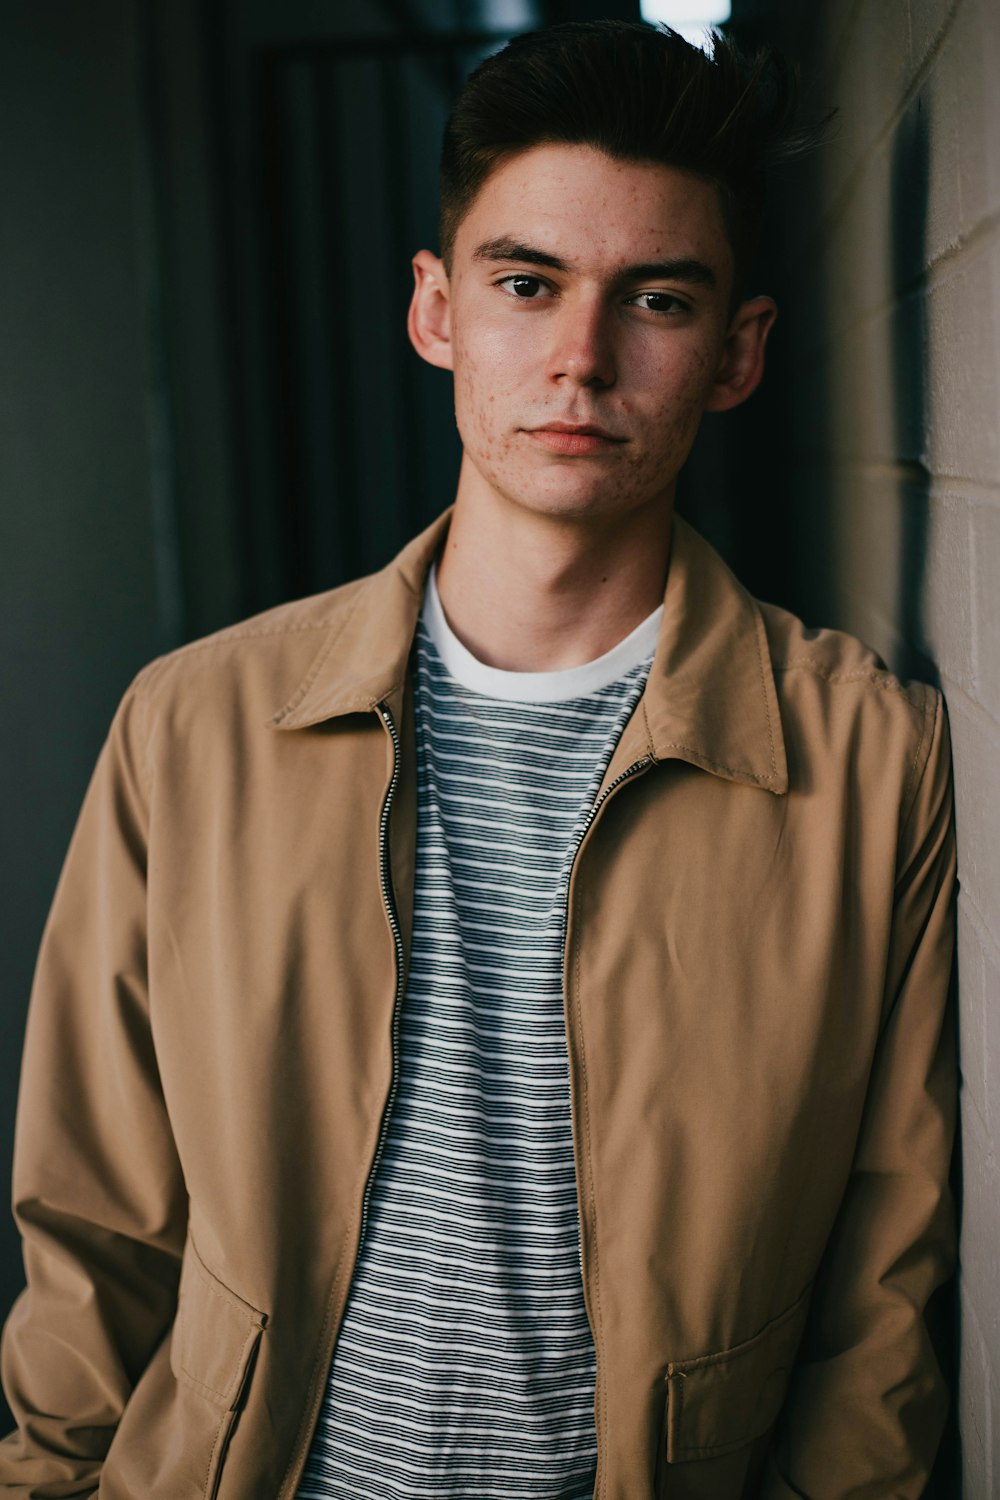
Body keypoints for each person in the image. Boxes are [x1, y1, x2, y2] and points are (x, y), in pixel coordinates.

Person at [0, 20, 956, 1500]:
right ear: (437, 311)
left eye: (654, 298)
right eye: (527, 285)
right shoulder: (192, 728)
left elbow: (879, 1314)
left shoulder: (867, 769)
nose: (581, 358)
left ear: (738, 354)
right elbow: (92, 1239)